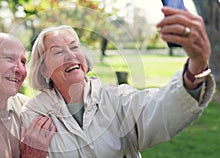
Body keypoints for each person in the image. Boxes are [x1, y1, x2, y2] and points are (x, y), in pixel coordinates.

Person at [20, 6, 215, 157]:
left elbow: (160, 109)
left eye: (75, 47)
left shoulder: (117, 99)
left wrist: (196, 67)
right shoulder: (34, 116)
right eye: (58, 51)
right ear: (43, 68)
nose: (71, 56)